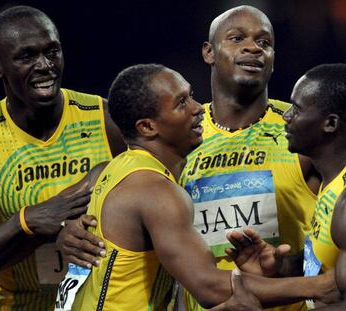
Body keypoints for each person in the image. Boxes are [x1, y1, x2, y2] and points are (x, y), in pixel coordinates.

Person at [55, 63, 337, 311]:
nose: (196, 108)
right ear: (147, 127)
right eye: (181, 103)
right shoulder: (153, 189)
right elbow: (210, 288)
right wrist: (319, 286)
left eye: (190, 96)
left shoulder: (118, 169)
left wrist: (65, 226)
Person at [0, 5, 125, 310]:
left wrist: (58, 220)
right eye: (26, 57)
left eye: (53, 52)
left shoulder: (108, 120)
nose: (45, 65)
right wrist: (27, 222)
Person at [177, 5, 320, 311]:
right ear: (209, 52)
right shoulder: (180, 134)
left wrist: (285, 267)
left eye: (264, 43)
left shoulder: (301, 129)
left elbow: (335, 237)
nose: (253, 47)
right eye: (237, 38)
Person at [226, 63, 346, 310]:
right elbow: (330, 264)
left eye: (297, 109)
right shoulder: (331, 183)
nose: (286, 115)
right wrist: (283, 267)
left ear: (330, 124)